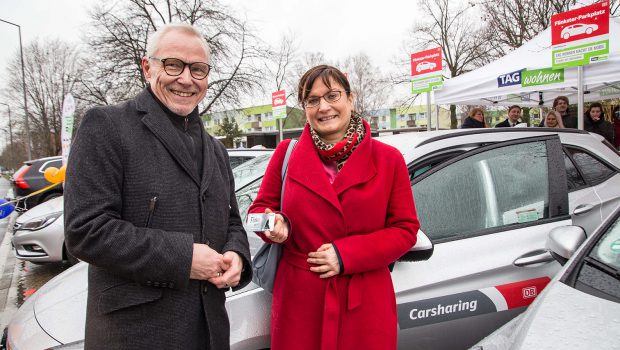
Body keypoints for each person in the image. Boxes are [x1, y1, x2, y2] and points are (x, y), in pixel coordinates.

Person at [64, 23, 251, 350]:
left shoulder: (216, 149)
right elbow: (86, 230)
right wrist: (184, 258)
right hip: (138, 337)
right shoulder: (106, 126)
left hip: (209, 334)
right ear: (147, 67)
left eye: (198, 69)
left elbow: (232, 221)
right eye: (173, 64)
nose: (186, 79)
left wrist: (236, 254)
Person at [248, 65, 419, 350]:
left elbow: (405, 230)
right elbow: (255, 216)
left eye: (332, 95)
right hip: (300, 302)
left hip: (364, 303)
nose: (323, 107)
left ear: (350, 99)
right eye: (312, 100)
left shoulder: (389, 159)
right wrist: (274, 226)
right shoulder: (286, 153)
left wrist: (346, 254)